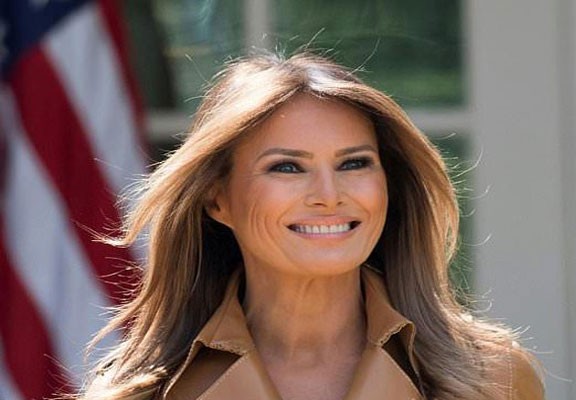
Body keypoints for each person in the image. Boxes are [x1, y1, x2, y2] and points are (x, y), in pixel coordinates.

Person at [79, 52, 544, 400]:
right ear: (217, 200)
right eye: (287, 167)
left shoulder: (494, 377)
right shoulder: (138, 391)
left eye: (354, 163)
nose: (329, 194)